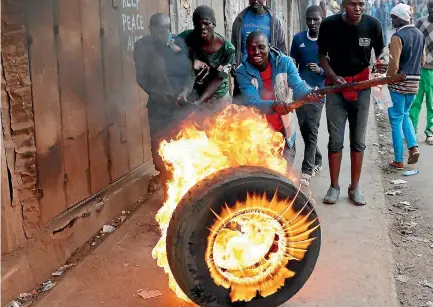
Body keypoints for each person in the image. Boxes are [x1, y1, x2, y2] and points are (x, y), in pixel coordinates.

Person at [317, 0, 387, 206]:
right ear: (343, 5)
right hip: (335, 89)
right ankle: (334, 186)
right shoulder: (329, 25)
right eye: (352, 4)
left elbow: (381, 52)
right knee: (335, 140)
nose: (357, 9)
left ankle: (355, 187)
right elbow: (321, 54)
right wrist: (332, 74)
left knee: (358, 141)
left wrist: (381, 64)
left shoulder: (373, 25)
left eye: (361, 4)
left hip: (362, 88)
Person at [236, 31, 322, 166]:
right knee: (262, 180)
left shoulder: (285, 62)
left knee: (283, 179)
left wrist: (310, 93)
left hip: (284, 133)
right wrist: (274, 105)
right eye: (252, 48)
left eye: (261, 47)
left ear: (269, 47)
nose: (256, 52)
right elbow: (252, 102)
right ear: (247, 50)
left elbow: (298, 85)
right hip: (257, 136)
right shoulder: (242, 71)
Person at [134, 13, 196, 199]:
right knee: (159, 148)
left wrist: (184, 93)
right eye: (160, 31)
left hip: (180, 105)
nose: (164, 34)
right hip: (158, 105)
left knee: (182, 144)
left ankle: (184, 191)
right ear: (151, 29)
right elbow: (141, 77)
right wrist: (158, 95)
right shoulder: (142, 47)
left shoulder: (178, 44)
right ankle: (167, 189)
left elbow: (190, 74)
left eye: (167, 30)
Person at [290, 5, 326, 186]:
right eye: (309, 19)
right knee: (305, 129)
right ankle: (317, 159)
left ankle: (307, 170)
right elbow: (291, 65)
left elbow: (333, 71)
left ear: (322, 19)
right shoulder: (298, 39)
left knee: (312, 130)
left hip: (318, 93)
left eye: (316, 19)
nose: (312, 23)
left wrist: (320, 71)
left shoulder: (329, 41)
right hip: (299, 93)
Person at [387, 3, 425, 169]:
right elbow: (422, 60)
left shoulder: (398, 36)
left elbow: (394, 64)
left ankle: (398, 159)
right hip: (415, 82)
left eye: (393, 18)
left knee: (395, 119)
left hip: (400, 84)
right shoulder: (419, 34)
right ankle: (413, 147)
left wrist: (387, 79)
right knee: (405, 115)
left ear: (400, 18)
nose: (392, 21)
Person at [176, 5, 235, 108]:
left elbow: (218, 78)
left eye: (207, 23)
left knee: (221, 122)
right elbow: (170, 50)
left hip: (217, 96)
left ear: (213, 24)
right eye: (198, 24)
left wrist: (199, 102)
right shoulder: (187, 37)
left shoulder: (228, 50)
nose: (202, 27)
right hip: (194, 93)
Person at [231, 0, 287, 66]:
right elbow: (233, 48)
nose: (255, 1)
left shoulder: (274, 21)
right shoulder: (239, 20)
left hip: (268, 71)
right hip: (244, 71)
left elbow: (281, 49)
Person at [410, 0, 433, 145]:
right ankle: (411, 132)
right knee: (415, 102)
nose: (432, 10)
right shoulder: (419, 23)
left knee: (432, 104)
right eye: (430, 7)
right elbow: (412, 41)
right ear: (427, 7)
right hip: (418, 69)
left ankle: (430, 132)